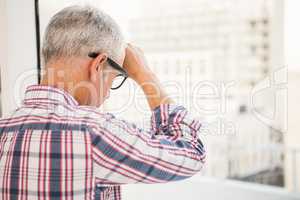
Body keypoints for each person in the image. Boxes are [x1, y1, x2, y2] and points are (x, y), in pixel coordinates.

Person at [0, 5, 206, 200]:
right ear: (98, 65)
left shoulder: (4, 127)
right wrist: (145, 75)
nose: (107, 94)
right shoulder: (93, 132)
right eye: (114, 79)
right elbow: (191, 154)